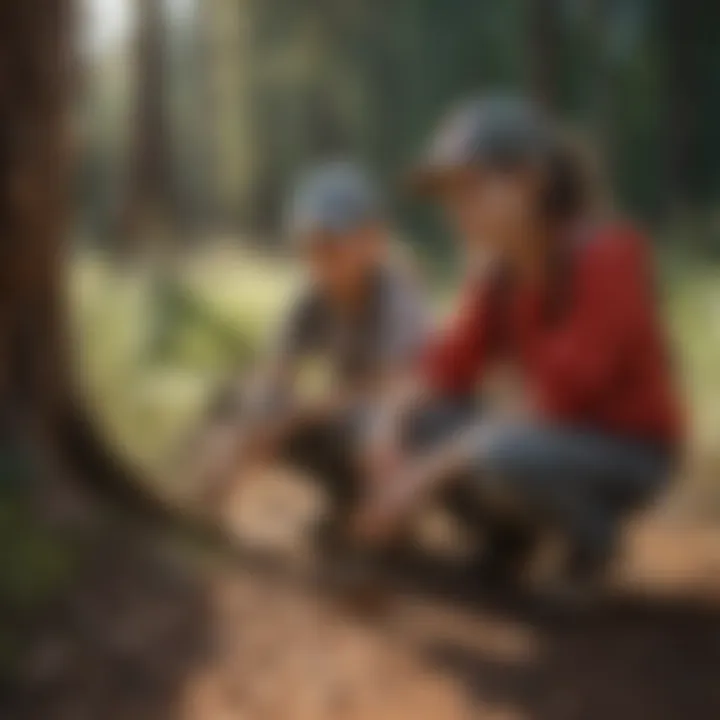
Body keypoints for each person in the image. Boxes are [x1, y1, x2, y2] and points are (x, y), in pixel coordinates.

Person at [354, 96, 683, 590]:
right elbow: (442, 368)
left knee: (495, 451)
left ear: (531, 180)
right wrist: (385, 428)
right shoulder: (496, 274)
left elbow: (562, 397)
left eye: (471, 185)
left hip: (629, 449)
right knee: (429, 422)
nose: (455, 206)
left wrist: (419, 480)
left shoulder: (610, 254)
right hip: (546, 437)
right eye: (448, 192)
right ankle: (506, 542)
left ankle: (592, 543)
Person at [191, 161, 429, 544]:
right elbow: (276, 370)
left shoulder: (395, 294)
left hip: (401, 419)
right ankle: (207, 506)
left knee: (373, 430)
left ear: (372, 240)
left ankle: (389, 527)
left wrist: (300, 414)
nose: (319, 257)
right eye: (309, 245)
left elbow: (396, 383)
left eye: (332, 243)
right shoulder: (312, 296)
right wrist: (258, 416)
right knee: (257, 405)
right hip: (346, 414)